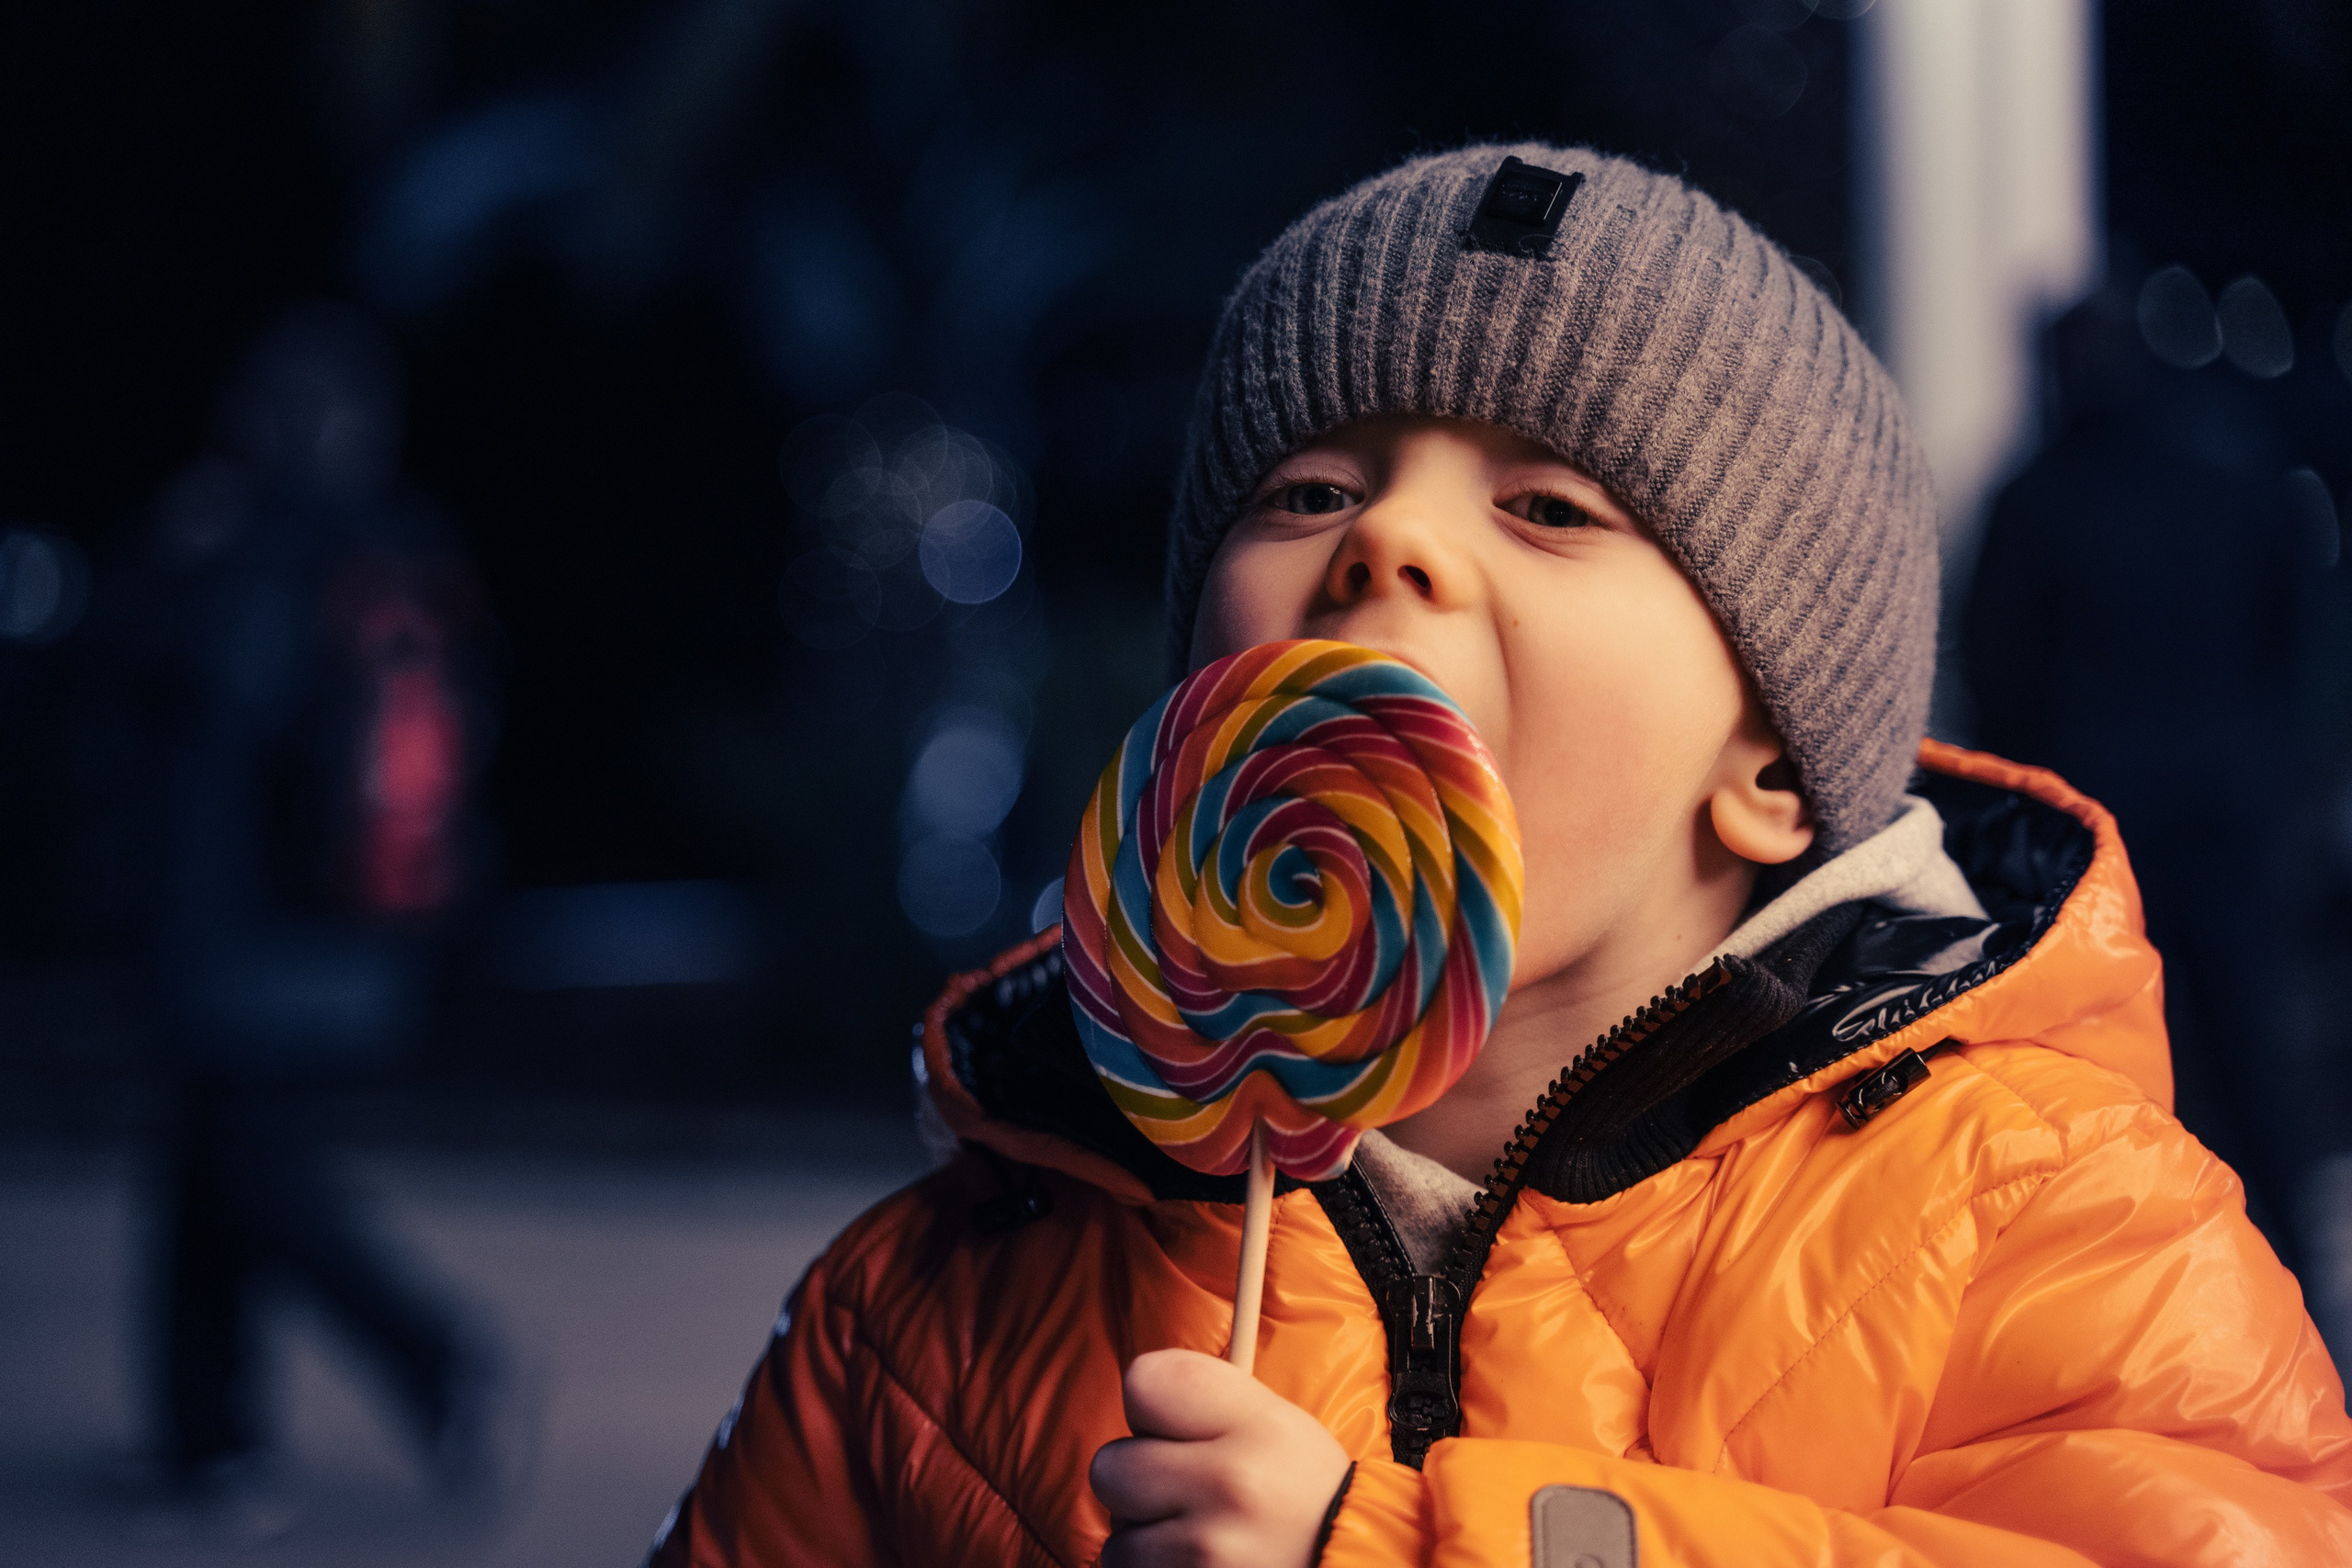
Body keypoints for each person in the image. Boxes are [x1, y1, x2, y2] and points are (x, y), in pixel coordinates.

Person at [647, 147, 2352, 1565]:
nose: (1388, 533)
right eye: (1307, 488)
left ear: (1768, 771)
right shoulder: (932, 1310)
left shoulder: (2054, 1218)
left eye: (1548, 509)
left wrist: (1398, 1549)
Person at [107, 302, 516, 1535]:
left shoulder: (234, 546)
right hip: (357, 931)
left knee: (247, 1175)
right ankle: (207, 1440)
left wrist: (164, 568)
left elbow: (161, 691)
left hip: (242, 935)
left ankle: (436, 1355)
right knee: (205, 1171)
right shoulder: (407, 547)